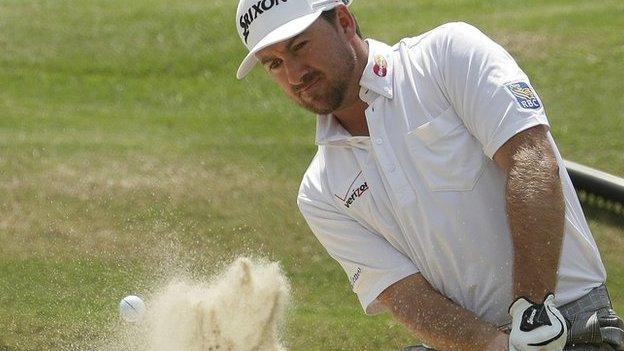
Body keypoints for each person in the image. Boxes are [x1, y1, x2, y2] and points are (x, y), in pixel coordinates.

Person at [234, 0, 624, 350]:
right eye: (274, 63)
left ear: (344, 21)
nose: (294, 73)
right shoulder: (319, 191)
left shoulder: (447, 55)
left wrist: (533, 310)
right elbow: (404, 295)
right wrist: (496, 346)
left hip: (568, 321)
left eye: (299, 46)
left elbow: (531, 159)